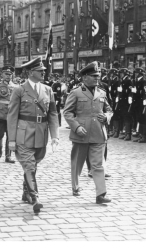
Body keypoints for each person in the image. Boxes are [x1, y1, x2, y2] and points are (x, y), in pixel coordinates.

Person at [7, 57, 59, 214]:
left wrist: (55, 136)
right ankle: (35, 198)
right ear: (30, 72)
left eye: (43, 70)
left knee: (34, 164)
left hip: (40, 134)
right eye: (39, 70)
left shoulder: (48, 90)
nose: (43, 72)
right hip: (24, 133)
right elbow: (12, 116)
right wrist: (11, 140)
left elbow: (53, 114)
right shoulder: (19, 90)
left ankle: (26, 191)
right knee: (29, 165)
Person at [63, 61, 112, 204]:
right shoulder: (76, 92)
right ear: (84, 78)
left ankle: (100, 194)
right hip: (81, 134)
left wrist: (107, 116)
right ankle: (75, 186)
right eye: (93, 76)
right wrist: (76, 127)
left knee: (98, 164)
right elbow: (67, 113)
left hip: (98, 133)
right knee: (77, 163)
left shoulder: (102, 92)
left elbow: (109, 109)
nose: (97, 78)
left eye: (98, 76)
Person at [0, 65, 17, 163]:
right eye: (6, 74)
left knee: (10, 136)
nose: (8, 76)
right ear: (2, 75)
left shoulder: (16, 86)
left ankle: (8, 156)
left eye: (10, 74)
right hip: (0, 114)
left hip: (11, 115)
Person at [132, 67, 146, 143]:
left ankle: (143, 136)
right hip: (137, 103)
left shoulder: (143, 81)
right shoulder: (136, 81)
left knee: (143, 119)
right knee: (139, 118)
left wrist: (136, 91)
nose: (135, 74)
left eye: (137, 73)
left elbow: (143, 92)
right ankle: (140, 135)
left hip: (141, 102)